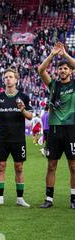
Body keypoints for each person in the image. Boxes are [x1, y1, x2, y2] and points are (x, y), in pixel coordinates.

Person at [0, 68, 33, 207]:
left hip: (18, 138)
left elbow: (30, 116)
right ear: (4, 80)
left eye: (10, 77)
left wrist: (22, 109)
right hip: (2, 138)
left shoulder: (23, 97)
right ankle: (0, 198)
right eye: (6, 77)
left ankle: (20, 199)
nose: (8, 79)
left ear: (16, 79)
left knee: (19, 167)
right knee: (1, 167)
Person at [37, 42, 75, 209]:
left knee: (73, 166)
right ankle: (49, 198)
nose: (63, 70)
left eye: (66, 68)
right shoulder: (53, 85)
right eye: (60, 68)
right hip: (53, 129)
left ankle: (73, 198)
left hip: (71, 128)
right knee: (51, 164)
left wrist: (65, 54)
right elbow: (41, 70)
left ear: (71, 71)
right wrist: (52, 55)